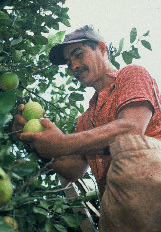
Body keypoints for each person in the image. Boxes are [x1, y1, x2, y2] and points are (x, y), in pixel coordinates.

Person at [13, 25, 161, 232]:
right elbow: (73, 169)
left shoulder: (131, 75)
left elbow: (131, 129)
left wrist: (63, 142)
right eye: (68, 62)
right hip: (118, 212)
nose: (74, 66)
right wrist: (36, 139)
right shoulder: (85, 119)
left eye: (78, 55)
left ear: (101, 49)